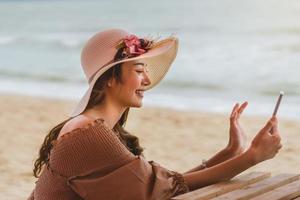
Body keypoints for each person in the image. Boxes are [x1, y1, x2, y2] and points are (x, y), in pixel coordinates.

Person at [28, 29, 282, 200]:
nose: (147, 80)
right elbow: (160, 190)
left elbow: (160, 184)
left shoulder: (95, 128)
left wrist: (230, 152)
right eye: (139, 70)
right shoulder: (88, 134)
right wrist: (253, 157)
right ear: (108, 80)